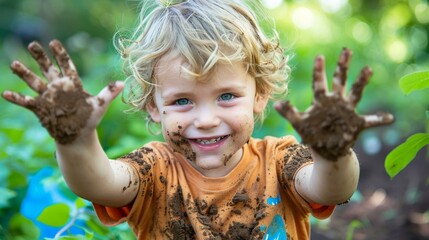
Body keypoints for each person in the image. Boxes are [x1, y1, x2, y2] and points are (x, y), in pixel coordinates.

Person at [2, 0, 394, 239]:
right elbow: (98, 183)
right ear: (155, 108)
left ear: (259, 95)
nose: (206, 120)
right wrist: (75, 140)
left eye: (226, 96)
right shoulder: (154, 171)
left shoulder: (281, 161)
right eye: (183, 101)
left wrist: (334, 151)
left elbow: (330, 188)